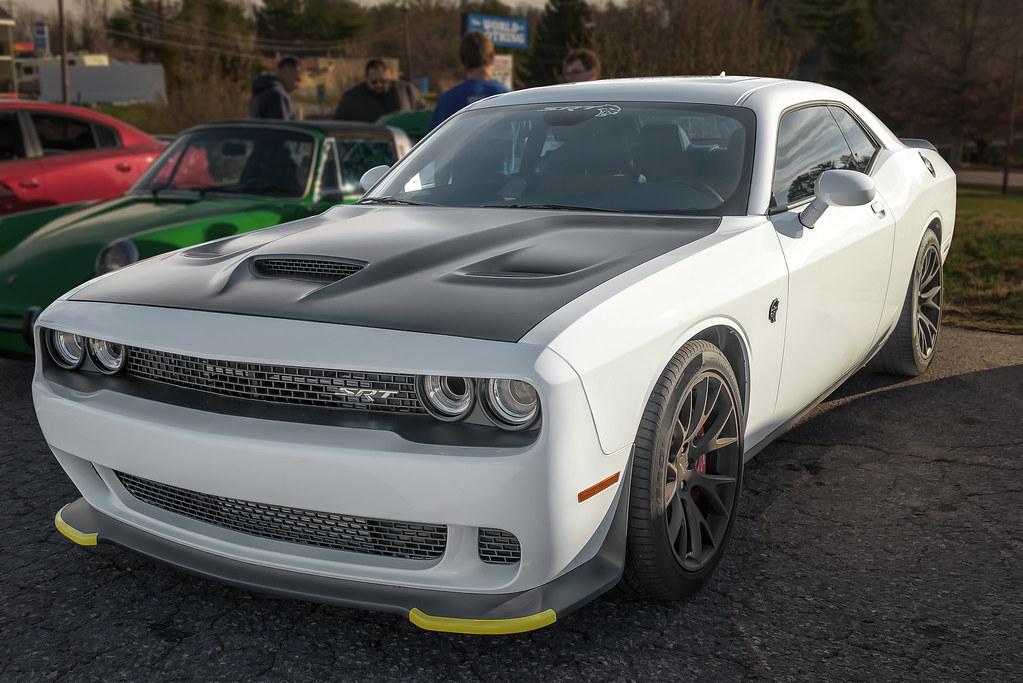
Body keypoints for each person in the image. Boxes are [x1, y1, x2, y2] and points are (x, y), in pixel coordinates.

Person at [429, 31, 508, 131]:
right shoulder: (509, 97)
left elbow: (434, 142)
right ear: (492, 57)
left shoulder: (447, 101)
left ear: (462, 60)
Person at [334, 58, 425, 123]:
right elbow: (339, 123)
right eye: (374, 82)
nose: (379, 85)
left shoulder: (406, 91)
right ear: (366, 79)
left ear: (390, 76)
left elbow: (422, 114)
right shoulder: (351, 98)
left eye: (383, 81)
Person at [249, 56, 301, 120]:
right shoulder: (277, 95)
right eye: (296, 79)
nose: (298, 84)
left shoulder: (260, 91)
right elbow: (282, 128)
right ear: (285, 71)